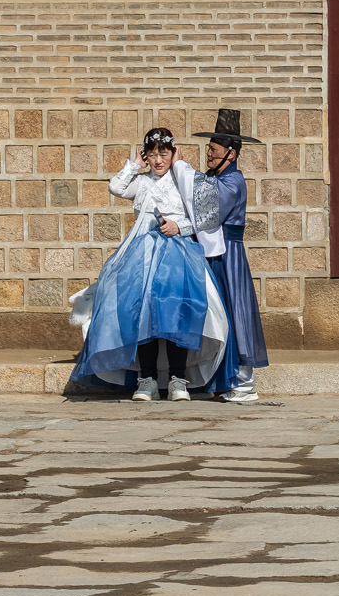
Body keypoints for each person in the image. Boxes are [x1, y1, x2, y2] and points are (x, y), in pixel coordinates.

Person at [69, 127, 229, 402]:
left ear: (172, 153)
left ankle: (178, 379)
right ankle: (147, 379)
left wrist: (179, 226)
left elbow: (203, 217)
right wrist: (134, 164)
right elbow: (116, 187)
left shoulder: (183, 181)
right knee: (141, 313)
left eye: (163, 154)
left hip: (178, 253)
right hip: (142, 254)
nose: (158, 160)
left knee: (177, 310)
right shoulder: (141, 182)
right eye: (152, 154)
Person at [192, 108, 269, 404]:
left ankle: (244, 381)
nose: (209, 154)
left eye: (214, 149)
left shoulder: (232, 182)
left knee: (235, 312)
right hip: (213, 254)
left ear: (231, 154)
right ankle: (221, 378)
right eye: (209, 148)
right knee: (216, 315)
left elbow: (209, 210)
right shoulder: (214, 179)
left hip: (229, 256)